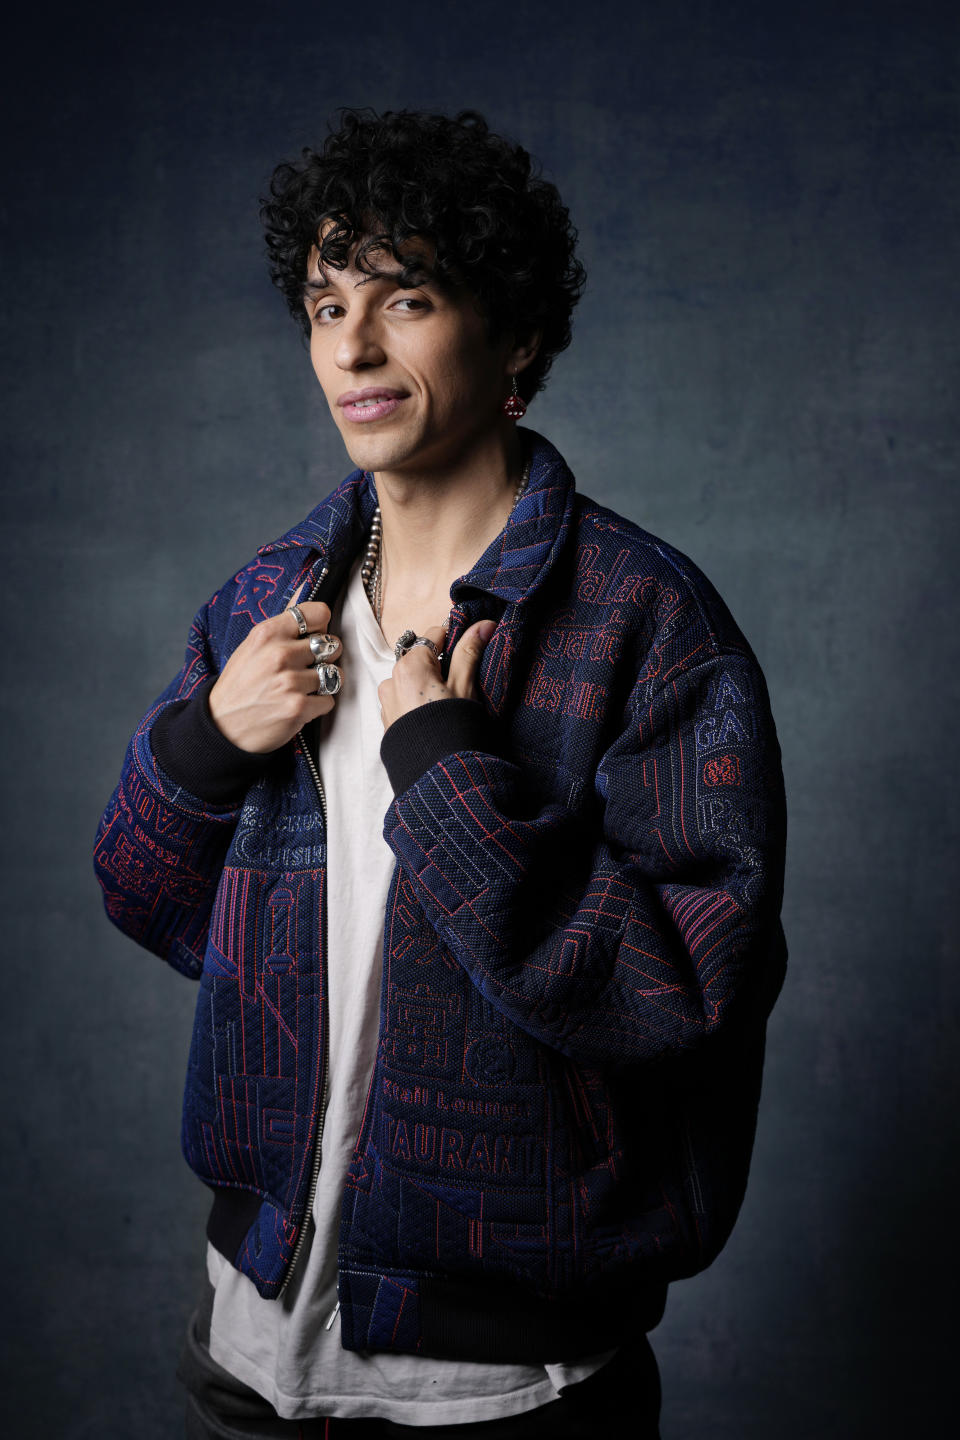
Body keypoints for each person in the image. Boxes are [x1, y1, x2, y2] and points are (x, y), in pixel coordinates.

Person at [94, 108, 788, 1438]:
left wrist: (452, 781)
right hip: (247, 1346)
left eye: (404, 298)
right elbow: (148, 900)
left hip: (500, 1384)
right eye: (324, 303)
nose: (351, 347)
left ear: (516, 335)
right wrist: (202, 744)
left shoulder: (645, 623)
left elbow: (683, 995)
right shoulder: (263, 603)